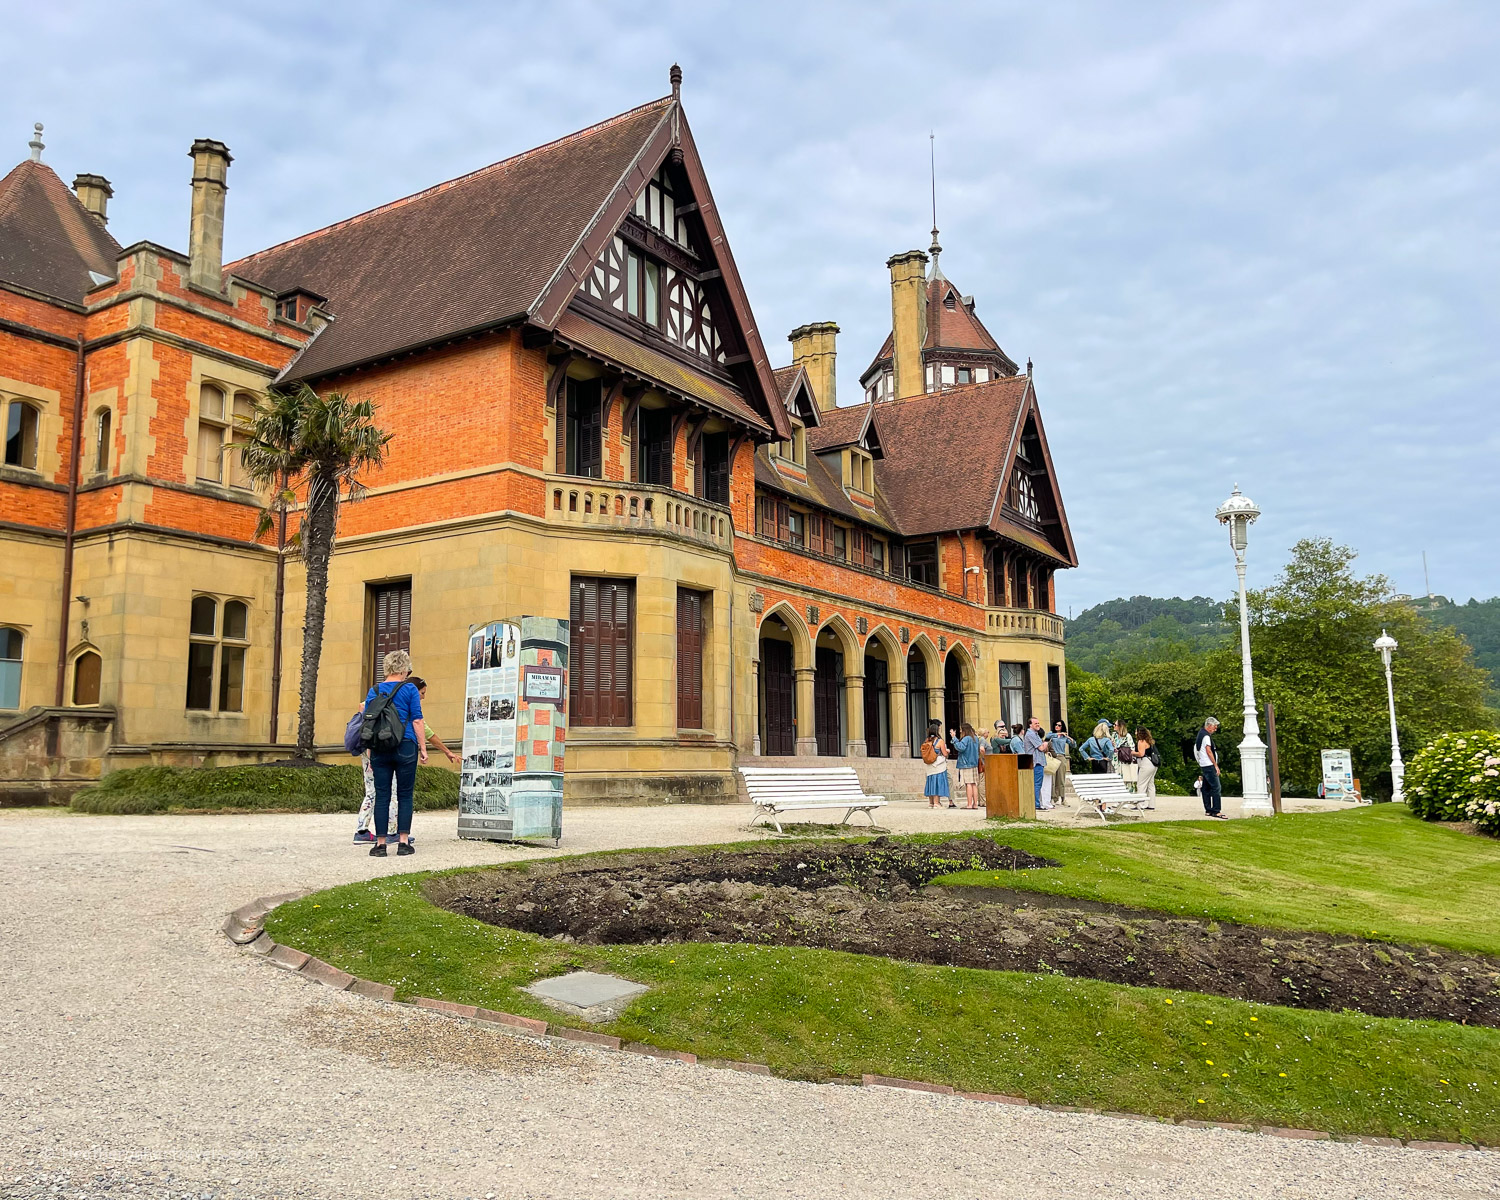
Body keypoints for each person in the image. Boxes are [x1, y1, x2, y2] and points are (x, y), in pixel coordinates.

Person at [362, 650, 428, 856]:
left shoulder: (374, 690)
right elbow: (417, 719)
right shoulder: (409, 689)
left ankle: (380, 844)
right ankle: (403, 842)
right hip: (405, 745)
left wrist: (370, 752)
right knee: (405, 795)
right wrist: (423, 748)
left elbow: (369, 721)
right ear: (403, 669)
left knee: (382, 795)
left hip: (380, 747)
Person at [1195, 716, 1225, 819]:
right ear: (1209, 725)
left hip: (1203, 764)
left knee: (1206, 788)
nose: (1215, 729)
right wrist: (1215, 765)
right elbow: (1208, 750)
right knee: (1216, 787)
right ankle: (1216, 810)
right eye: (1215, 727)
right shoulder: (1206, 736)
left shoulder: (1200, 734)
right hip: (1208, 764)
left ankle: (1208, 809)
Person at [950, 722, 982, 810]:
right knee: (974, 784)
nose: (960, 731)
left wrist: (954, 738)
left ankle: (969, 804)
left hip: (966, 763)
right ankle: (975, 804)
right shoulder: (975, 738)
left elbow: (960, 747)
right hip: (974, 763)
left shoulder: (966, 738)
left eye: (961, 730)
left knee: (968, 784)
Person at [1022, 716, 1049, 810]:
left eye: (1038, 723)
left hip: (1037, 761)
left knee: (1037, 784)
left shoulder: (1035, 734)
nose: (1038, 725)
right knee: (1037, 784)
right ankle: (1036, 804)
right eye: (1035, 723)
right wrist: (1046, 742)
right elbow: (1041, 748)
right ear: (1030, 725)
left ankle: (1036, 803)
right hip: (1036, 762)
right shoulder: (1031, 734)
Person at [922, 721, 951, 808]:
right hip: (938, 765)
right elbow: (945, 754)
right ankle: (936, 803)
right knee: (937, 783)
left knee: (931, 782)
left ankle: (931, 803)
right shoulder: (940, 741)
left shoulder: (927, 740)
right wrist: (948, 751)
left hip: (929, 764)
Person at [1134, 726, 1160, 810]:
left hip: (1146, 763)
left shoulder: (1141, 741)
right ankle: (1152, 804)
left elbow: (1141, 754)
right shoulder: (1150, 741)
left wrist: (1132, 753)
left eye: (1136, 731)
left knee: (1141, 784)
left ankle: (1140, 805)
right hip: (1153, 764)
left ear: (1139, 733)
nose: (1135, 733)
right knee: (1150, 785)